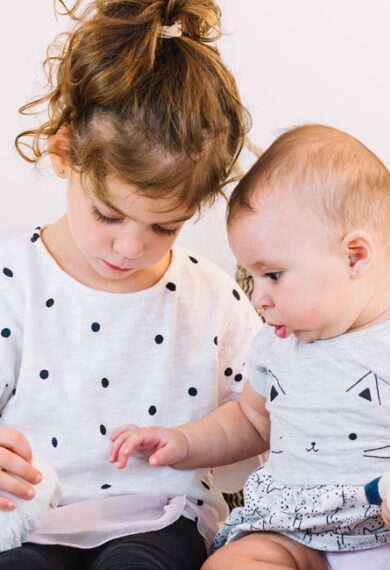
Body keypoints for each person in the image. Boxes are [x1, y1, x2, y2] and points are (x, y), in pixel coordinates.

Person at [110, 124, 390, 569]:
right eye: (253, 277)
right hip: (298, 533)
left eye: (272, 275)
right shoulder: (274, 345)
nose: (259, 297)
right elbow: (249, 422)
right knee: (231, 563)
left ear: (355, 257)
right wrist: (183, 442)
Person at [0, 1, 261, 568]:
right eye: (108, 215)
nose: (130, 247)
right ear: (64, 152)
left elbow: (263, 421)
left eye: (164, 227)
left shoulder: (212, 299)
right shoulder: (12, 282)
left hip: (160, 518)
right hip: (31, 521)